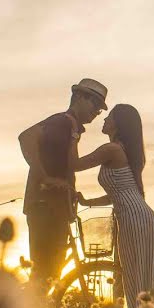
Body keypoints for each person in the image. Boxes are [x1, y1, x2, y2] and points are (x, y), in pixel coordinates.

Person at [74, 104, 154, 308]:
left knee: (138, 277)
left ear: (118, 124)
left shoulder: (111, 150)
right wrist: (88, 202)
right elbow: (119, 193)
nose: (104, 120)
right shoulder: (122, 151)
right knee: (151, 276)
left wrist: (72, 136)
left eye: (109, 117)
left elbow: (74, 165)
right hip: (140, 217)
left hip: (135, 219)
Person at [18, 78, 108, 288]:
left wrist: (69, 192)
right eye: (94, 104)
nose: (97, 112)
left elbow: (66, 166)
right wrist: (44, 177)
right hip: (45, 207)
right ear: (78, 97)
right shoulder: (63, 122)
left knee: (48, 276)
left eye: (100, 109)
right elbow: (26, 137)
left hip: (54, 208)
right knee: (44, 275)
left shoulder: (71, 127)